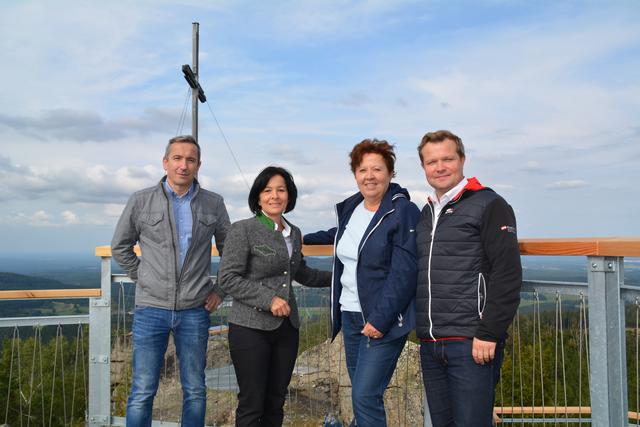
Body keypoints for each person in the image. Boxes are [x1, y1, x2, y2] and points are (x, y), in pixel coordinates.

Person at [111, 135, 230, 427]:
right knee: (142, 390)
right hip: (151, 308)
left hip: (195, 309)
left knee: (195, 389)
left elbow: (232, 253)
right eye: (177, 158)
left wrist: (220, 291)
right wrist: (144, 277)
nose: (183, 165)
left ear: (198, 165)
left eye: (190, 159)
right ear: (165, 162)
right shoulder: (140, 200)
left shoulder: (213, 203)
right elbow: (120, 246)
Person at [304, 139, 420, 427]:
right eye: (362, 169)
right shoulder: (353, 209)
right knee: (362, 393)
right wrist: (298, 237)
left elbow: (404, 272)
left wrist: (381, 320)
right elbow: (343, 234)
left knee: (366, 396)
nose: (369, 176)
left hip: (381, 320)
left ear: (390, 173)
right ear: (355, 174)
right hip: (350, 315)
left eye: (377, 169)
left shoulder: (403, 211)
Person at [415, 130, 522, 426]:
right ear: (423, 167)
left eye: (447, 159)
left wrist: (489, 332)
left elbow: (507, 273)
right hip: (431, 341)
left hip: (471, 341)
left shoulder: (489, 204)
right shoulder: (427, 213)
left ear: (462, 160)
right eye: (431, 161)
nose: (440, 167)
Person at [217, 166, 331, 427]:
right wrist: (269, 299)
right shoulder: (242, 229)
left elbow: (300, 272)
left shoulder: (295, 233)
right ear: (258, 197)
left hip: (287, 329)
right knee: (251, 403)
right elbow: (228, 278)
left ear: (289, 196)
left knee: (276, 400)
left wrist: (339, 277)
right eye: (268, 190)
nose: (275, 196)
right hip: (249, 328)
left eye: (281, 190)